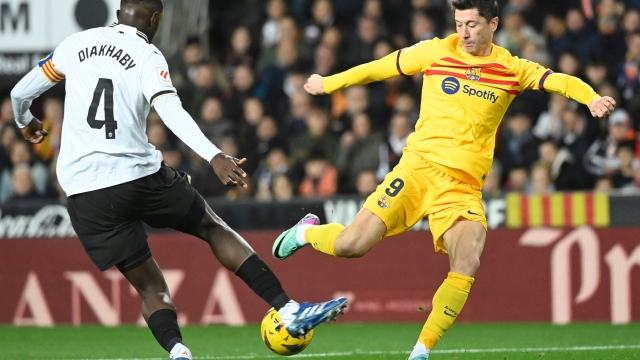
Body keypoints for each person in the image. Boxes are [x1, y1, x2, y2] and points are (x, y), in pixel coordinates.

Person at [271, 1, 616, 359]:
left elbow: (557, 80)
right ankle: (305, 232)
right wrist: (330, 82)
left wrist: (591, 98)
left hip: (461, 187)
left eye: (472, 25)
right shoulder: (436, 51)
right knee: (350, 246)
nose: (463, 33)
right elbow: (380, 67)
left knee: (467, 261)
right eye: (458, 23)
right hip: (417, 170)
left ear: (494, 24)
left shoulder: (511, 68)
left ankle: (421, 351)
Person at [9, 1, 347, 359]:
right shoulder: (146, 54)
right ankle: (288, 308)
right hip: (136, 176)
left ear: (119, 12)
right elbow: (169, 110)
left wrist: (24, 120)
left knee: (151, 287)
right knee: (212, 228)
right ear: (154, 19)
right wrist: (213, 154)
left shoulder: (75, 45)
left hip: (84, 192)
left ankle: (178, 352)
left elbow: (19, 94)